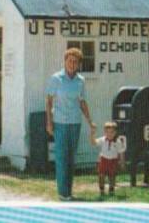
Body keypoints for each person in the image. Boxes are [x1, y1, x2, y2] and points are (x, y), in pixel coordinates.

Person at [45, 47, 96, 201]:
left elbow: (82, 102)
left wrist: (89, 120)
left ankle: (69, 191)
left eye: (75, 61)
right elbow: (48, 101)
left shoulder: (81, 81)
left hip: (75, 123)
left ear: (79, 64)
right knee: (61, 157)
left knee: (71, 158)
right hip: (60, 122)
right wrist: (49, 122)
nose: (72, 64)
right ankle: (63, 193)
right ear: (65, 61)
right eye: (69, 61)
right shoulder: (56, 78)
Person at [90, 121, 126, 197]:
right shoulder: (102, 140)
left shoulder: (118, 141)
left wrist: (122, 162)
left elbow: (121, 152)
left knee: (112, 176)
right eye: (107, 132)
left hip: (113, 161)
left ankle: (111, 190)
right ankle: (102, 190)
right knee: (101, 176)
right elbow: (93, 142)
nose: (109, 134)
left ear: (115, 132)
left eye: (112, 132)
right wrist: (92, 134)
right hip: (103, 160)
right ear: (105, 132)